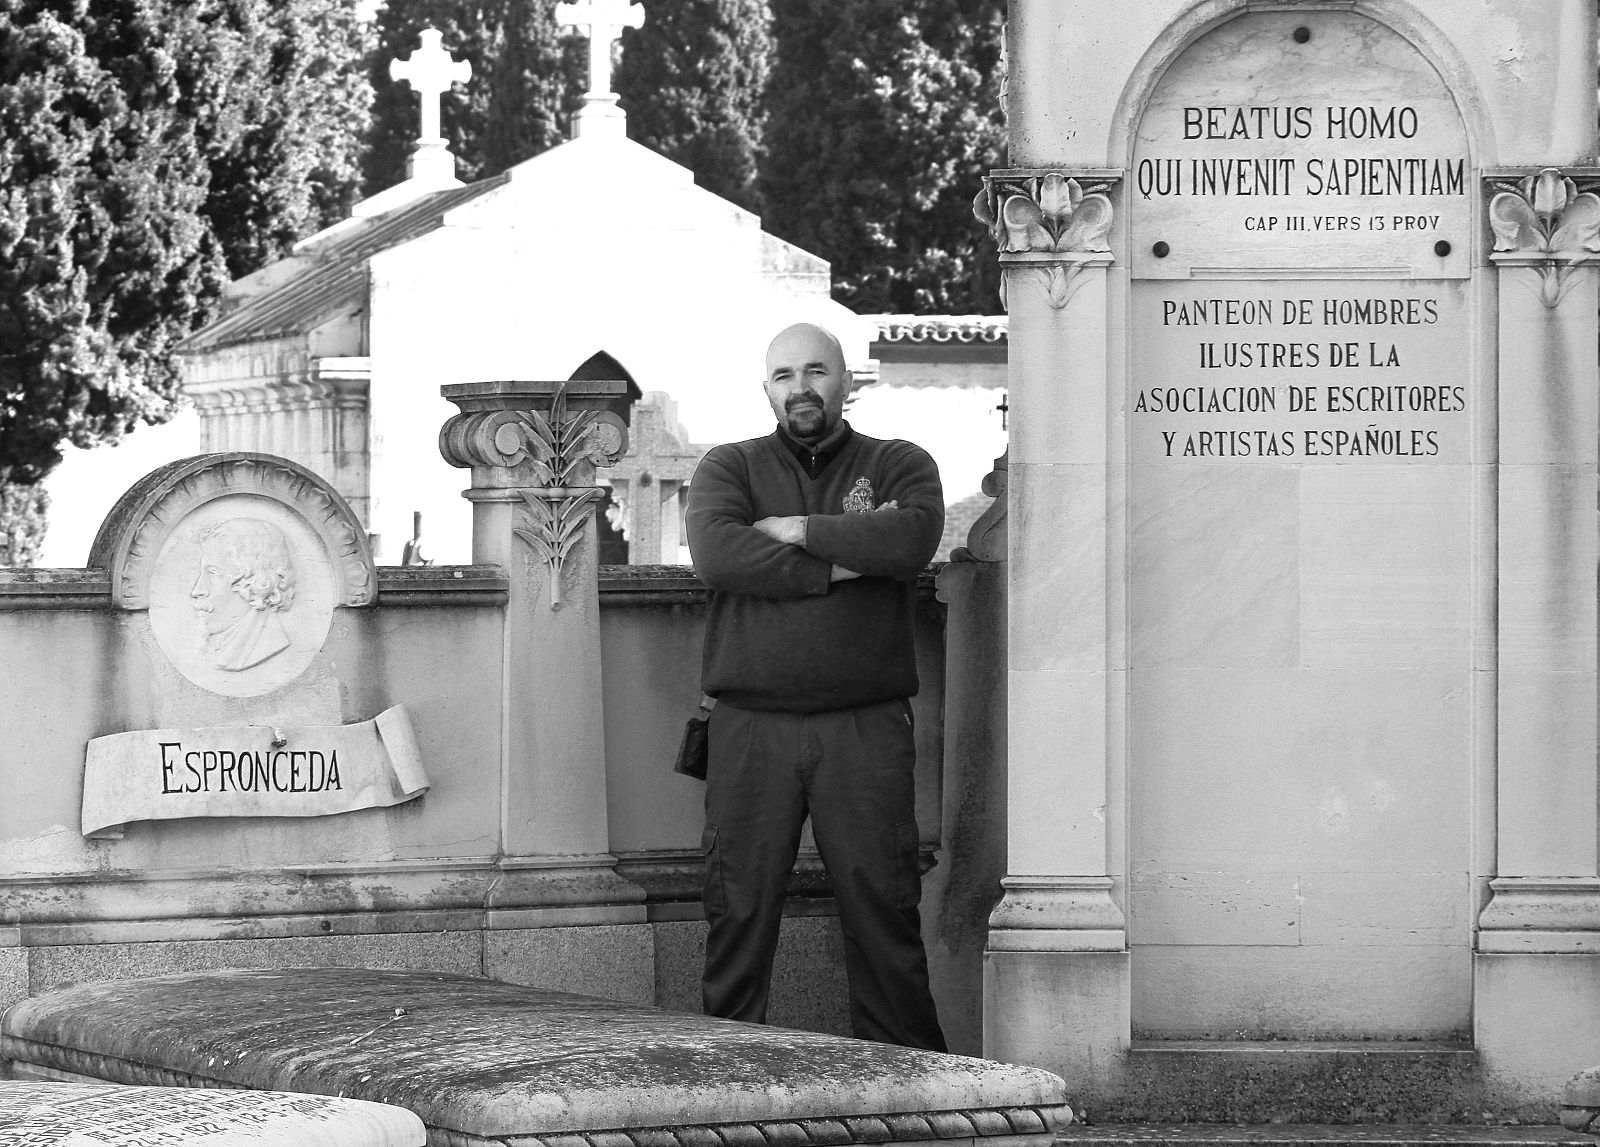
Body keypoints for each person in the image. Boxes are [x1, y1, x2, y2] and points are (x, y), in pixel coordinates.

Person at [685, 321, 947, 1050]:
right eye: (783, 376)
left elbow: (911, 538)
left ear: (845, 379)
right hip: (748, 727)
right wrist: (843, 559)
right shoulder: (728, 468)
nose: (800, 388)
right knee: (736, 910)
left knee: (884, 909)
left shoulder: (899, 462)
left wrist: (797, 529)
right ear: (767, 389)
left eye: (815, 371)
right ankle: (726, 1087)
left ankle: (916, 1084)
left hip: (863, 727)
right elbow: (718, 554)